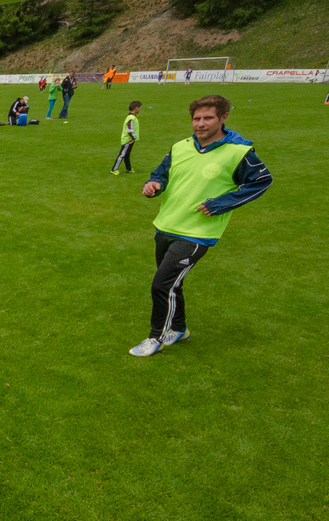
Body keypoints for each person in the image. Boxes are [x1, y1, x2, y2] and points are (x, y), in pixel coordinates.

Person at [129, 94, 274, 357]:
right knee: (172, 284)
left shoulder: (239, 152)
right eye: (197, 118)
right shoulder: (180, 147)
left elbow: (262, 181)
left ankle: (156, 337)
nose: (201, 124)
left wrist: (221, 204)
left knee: (161, 285)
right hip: (166, 226)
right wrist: (154, 185)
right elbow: (161, 174)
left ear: (223, 118)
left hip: (197, 234)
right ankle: (179, 329)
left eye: (208, 118)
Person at [112, 100, 140, 174]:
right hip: (128, 140)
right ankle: (114, 169)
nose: (140, 109)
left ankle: (129, 169)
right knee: (122, 155)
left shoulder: (131, 117)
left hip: (129, 139)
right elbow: (130, 130)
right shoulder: (131, 118)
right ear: (136, 108)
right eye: (139, 108)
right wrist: (133, 138)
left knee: (127, 154)